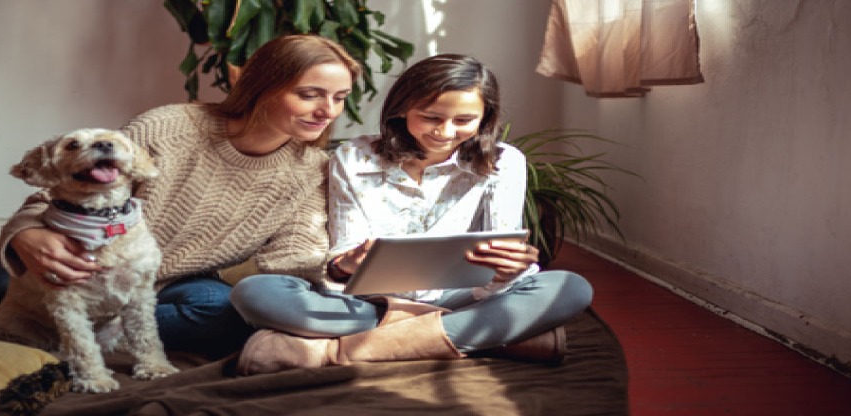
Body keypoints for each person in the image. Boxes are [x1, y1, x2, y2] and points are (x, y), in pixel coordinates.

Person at [0, 34, 362, 358]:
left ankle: (73, 337)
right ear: (263, 87)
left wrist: (337, 269)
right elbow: (66, 184)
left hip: (172, 282)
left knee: (224, 313)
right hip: (77, 255)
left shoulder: (311, 169)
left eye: (338, 98)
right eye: (310, 93)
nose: (327, 111)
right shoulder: (171, 127)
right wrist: (29, 235)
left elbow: (292, 253)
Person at [229, 54, 595, 375]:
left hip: (464, 298)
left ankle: (340, 351)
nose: (445, 132)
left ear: (484, 118)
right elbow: (341, 256)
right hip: (370, 304)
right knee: (256, 292)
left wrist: (508, 269)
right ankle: (476, 336)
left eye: (465, 120)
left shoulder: (504, 162)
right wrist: (347, 264)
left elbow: (498, 254)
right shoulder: (354, 158)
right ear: (402, 108)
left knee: (570, 289)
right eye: (431, 116)